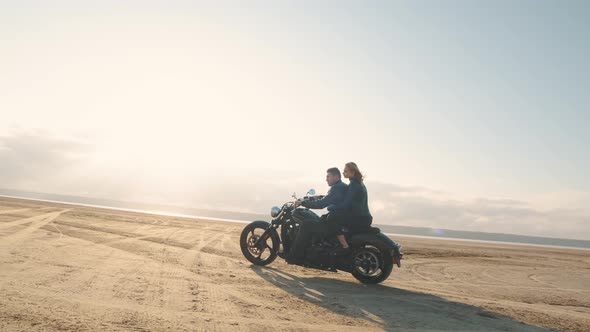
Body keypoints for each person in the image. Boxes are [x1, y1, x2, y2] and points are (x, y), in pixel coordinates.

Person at [284, 167, 348, 264]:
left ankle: (295, 256)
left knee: (306, 225)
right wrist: (315, 197)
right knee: (313, 222)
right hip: (338, 219)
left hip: (334, 221)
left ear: (336, 176)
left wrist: (303, 203)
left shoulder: (337, 188)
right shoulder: (341, 187)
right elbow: (328, 198)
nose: (326, 179)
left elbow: (321, 204)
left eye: (328, 176)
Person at [327, 162, 372, 253]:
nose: (343, 173)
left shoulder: (353, 185)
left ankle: (344, 245)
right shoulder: (358, 183)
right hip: (364, 217)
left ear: (353, 172)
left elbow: (345, 204)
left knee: (332, 217)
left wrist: (331, 207)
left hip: (358, 218)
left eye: (346, 171)